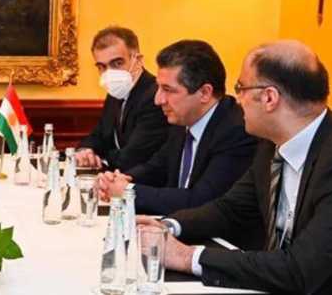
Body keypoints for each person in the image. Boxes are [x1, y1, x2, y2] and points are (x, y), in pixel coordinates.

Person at [142, 40, 332, 294]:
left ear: (269, 98)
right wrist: (167, 227)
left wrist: (187, 257)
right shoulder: (271, 144)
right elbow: (229, 210)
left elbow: (299, 269)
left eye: (240, 88)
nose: (237, 100)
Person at [97, 40, 256, 214]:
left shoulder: (236, 131)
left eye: (167, 90)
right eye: (158, 88)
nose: (158, 100)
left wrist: (128, 191)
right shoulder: (182, 121)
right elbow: (157, 167)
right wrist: (120, 180)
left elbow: (202, 201)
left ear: (204, 93)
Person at [76, 26, 169, 171]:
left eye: (117, 63)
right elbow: (99, 135)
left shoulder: (155, 96)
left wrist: (99, 159)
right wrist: (86, 150)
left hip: (144, 180)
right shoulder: (116, 92)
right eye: (101, 67)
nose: (109, 73)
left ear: (137, 60)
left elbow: (133, 156)